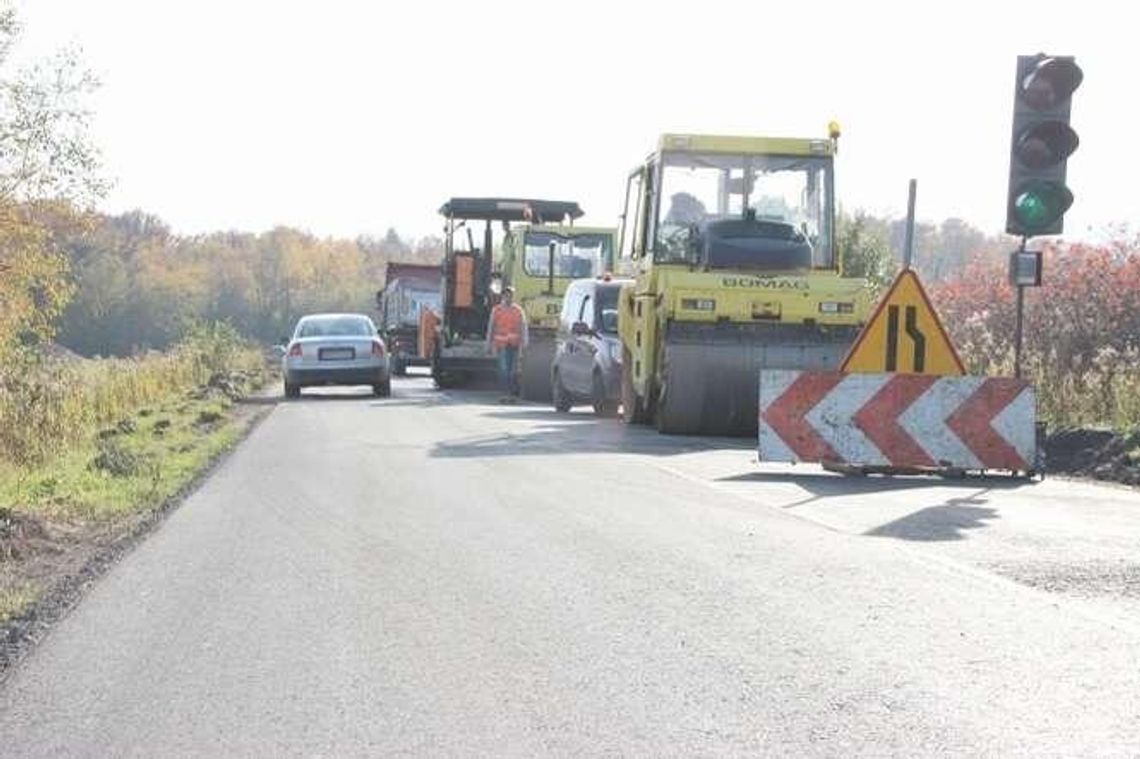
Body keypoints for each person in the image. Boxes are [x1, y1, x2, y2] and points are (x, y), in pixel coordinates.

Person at [485, 285, 529, 402]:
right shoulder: (497, 310)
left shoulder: (518, 310)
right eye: (506, 295)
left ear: (513, 297)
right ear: (503, 296)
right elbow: (491, 327)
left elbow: (523, 327)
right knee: (504, 370)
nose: (508, 297)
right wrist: (488, 344)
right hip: (502, 345)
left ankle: (511, 395)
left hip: (514, 345)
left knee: (513, 371)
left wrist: (525, 343)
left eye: (510, 295)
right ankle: (504, 394)